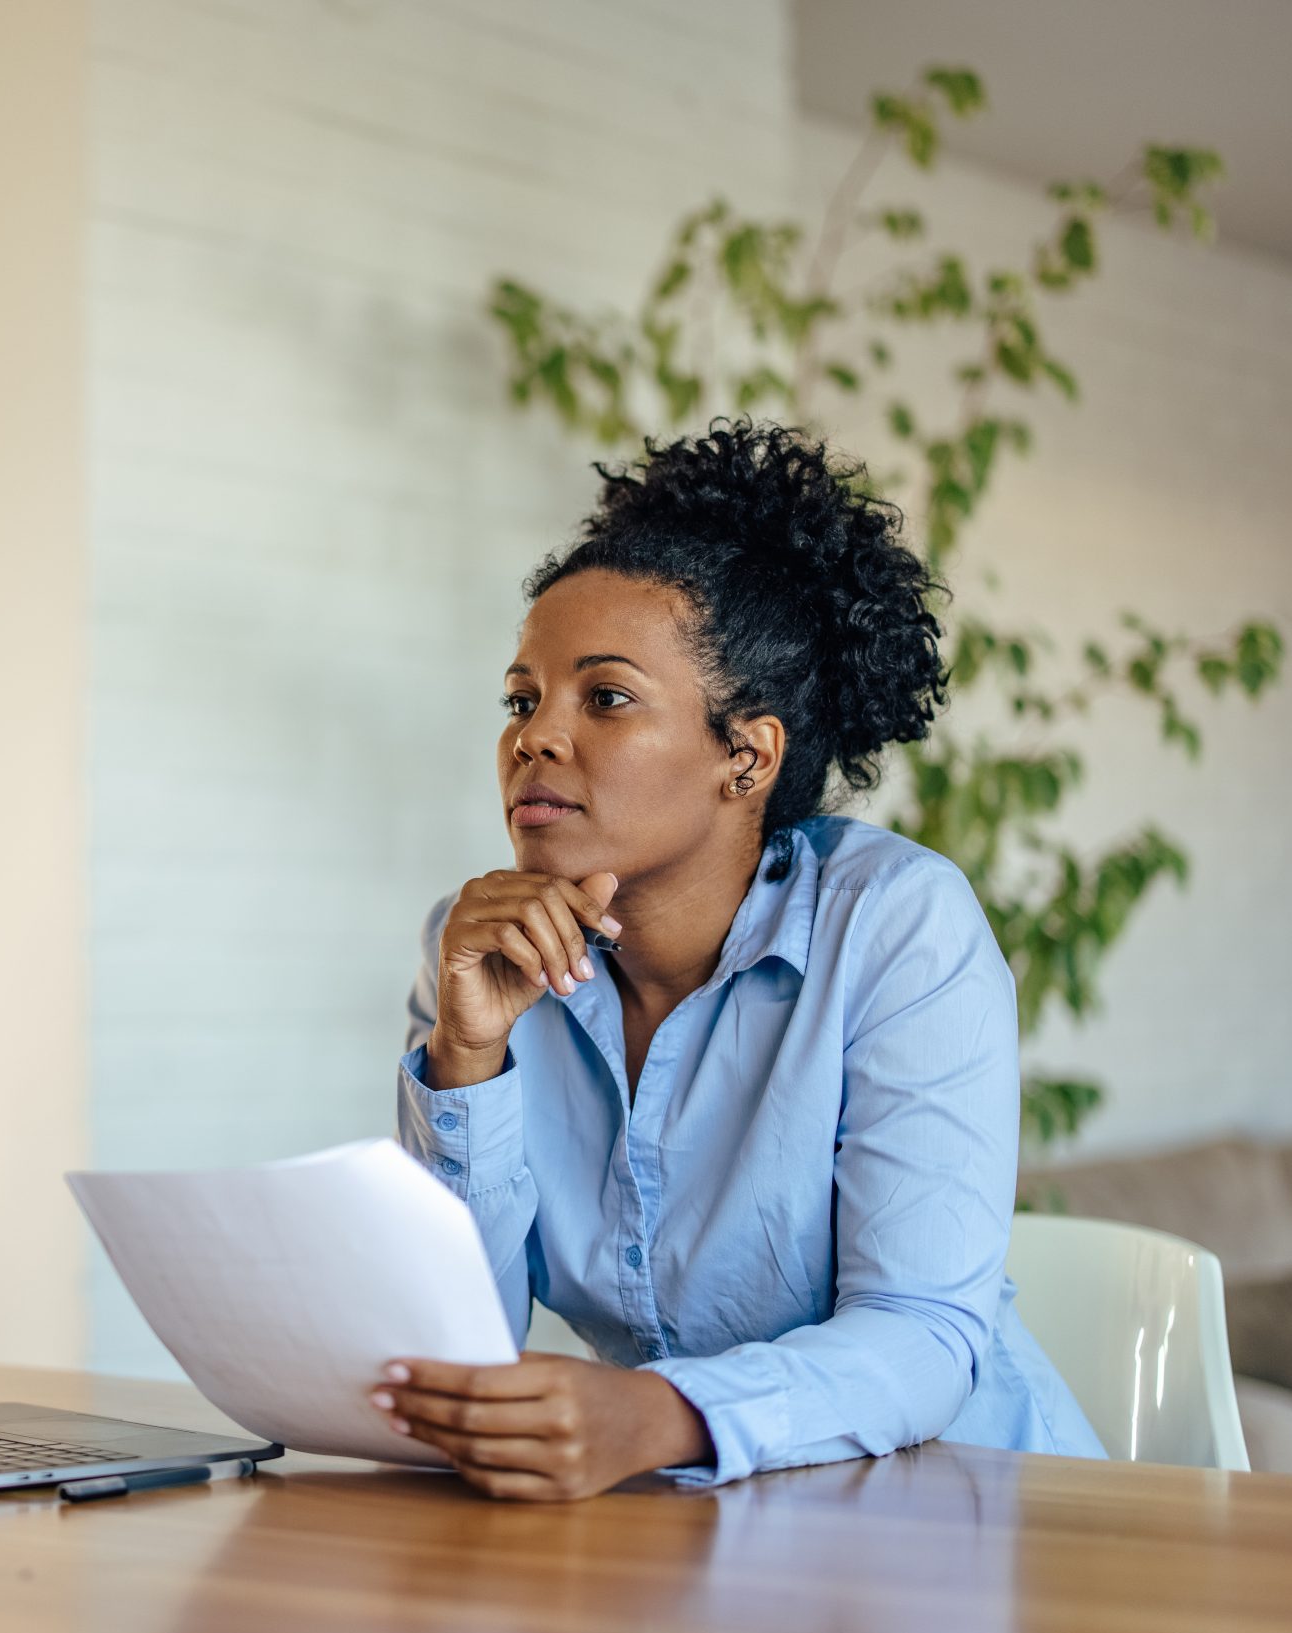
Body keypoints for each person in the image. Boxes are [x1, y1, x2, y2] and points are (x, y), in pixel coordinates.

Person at [370, 422, 1104, 1501]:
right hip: (694, 1530)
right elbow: (456, 1348)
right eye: (521, 700)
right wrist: (466, 1054)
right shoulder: (480, 953)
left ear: (746, 755)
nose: (536, 737)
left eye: (604, 697)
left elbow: (919, 1336)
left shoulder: (894, 926)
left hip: (974, 1525)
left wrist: (656, 1413)